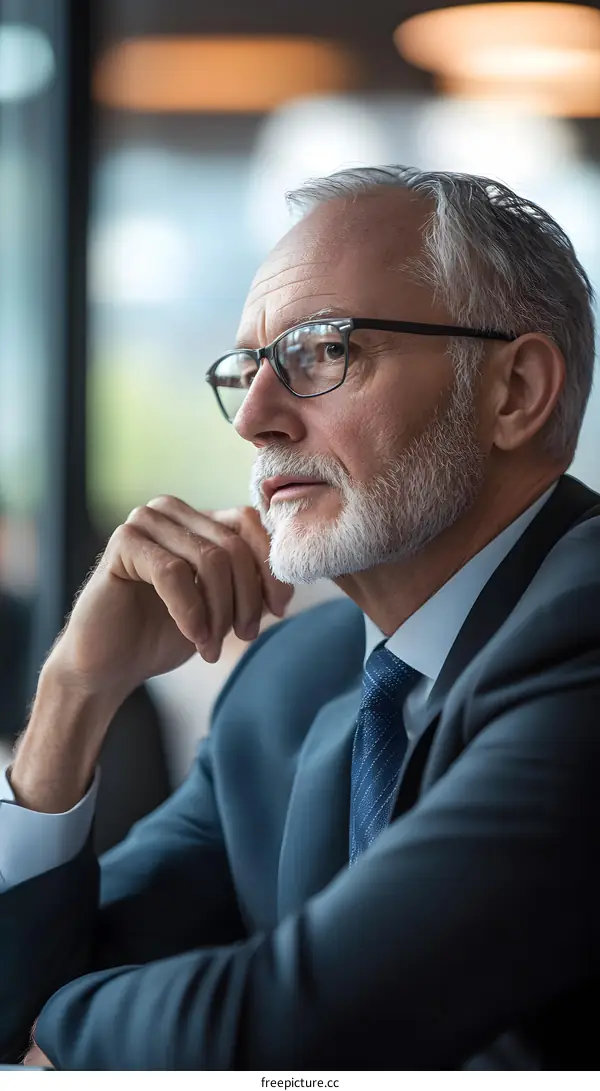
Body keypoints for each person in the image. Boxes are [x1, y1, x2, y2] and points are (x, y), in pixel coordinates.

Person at [1, 165, 599, 1071]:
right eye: (248, 367)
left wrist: (64, 1029)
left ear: (514, 391)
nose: (254, 418)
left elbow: (297, 1027)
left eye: (323, 351)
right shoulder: (292, 681)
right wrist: (74, 692)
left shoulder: (585, 627)